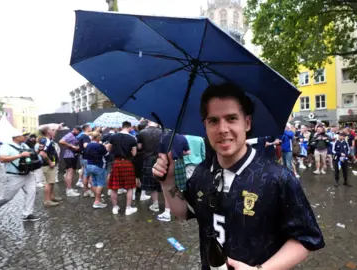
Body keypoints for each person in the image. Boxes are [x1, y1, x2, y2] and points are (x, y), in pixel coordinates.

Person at [152, 83, 324, 269]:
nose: (222, 129)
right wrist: (168, 182)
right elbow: (185, 212)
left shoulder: (278, 178)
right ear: (205, 125)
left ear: (247, 123)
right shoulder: (202, 172)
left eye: (231, 118)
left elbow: (306, 239)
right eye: (213, 120)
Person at [0, 131, 40, 222]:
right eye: (23, 135)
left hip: (28, 174)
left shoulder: (24, 146)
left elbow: (30, 155)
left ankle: (27, 214)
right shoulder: (5, 146)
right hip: (14, 176)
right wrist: (20, 155)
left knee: (31, 192)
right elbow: (2, 159)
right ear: (15, 137)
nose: (25, 137)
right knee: (7, 197)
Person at [107, 121, 138, 216]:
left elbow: (108, 148)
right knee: (129, 187)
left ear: (122, 126)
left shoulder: (113, 136)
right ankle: (128, 209)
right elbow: (134, 153)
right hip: (127, 163)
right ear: (129, 127)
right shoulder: (132, 138)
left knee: (114, 187)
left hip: (116, 163)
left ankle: (115, 208)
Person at [83, 131, 109, 209]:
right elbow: (107, 155)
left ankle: (98, 199)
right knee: (100, 184)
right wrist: (106, 147)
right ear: (97, 138)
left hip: (89, 166)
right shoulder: (100, 146)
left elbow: (84, 155)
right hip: (99, 166)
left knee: (94, 183)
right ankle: (97, 202)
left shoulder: (87, 145)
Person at [39, 127, 63, 205]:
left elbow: (53, 135)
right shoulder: (46, 141)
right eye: (51, 130)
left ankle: (51, 197)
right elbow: (42, 153)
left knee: (51, 182)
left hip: (50, 165)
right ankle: (47, 201)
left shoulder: (48, 140)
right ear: (48, 132)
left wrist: (57, 128)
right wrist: (50, 162)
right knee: (48, 183)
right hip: (48, 165)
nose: (52, 131)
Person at [58, 126, 82, 196]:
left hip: (72, 155)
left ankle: (69, 188)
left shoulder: (73, 135)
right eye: (78, 131)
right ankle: (69, 190)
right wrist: (72, 146)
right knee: (69, 172)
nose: (78, 133)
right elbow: (61, 141)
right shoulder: (69, 135)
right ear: (74, 129)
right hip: (69, 156)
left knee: (70, 172)